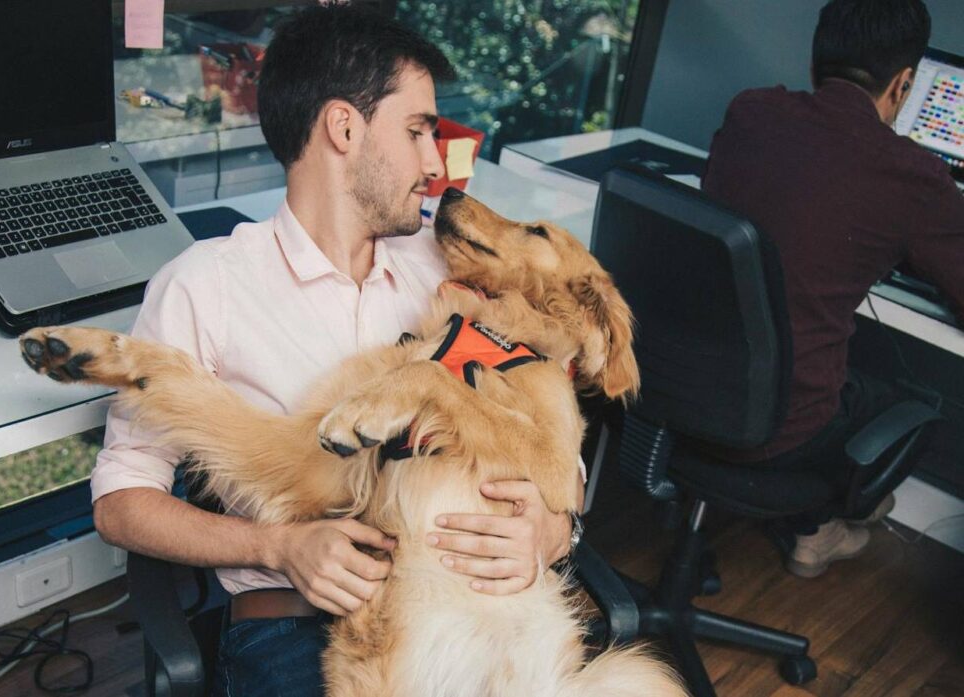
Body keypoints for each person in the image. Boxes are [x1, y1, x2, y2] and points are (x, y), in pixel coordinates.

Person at [89, 5, 580, 696]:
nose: (436, 162)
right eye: (417, 132)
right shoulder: (207, 284)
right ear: (344, 127)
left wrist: (551, 530)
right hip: (294, 624)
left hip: (479, 617)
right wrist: (276, 546)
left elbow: (549, 429)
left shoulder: (448, 270)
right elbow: (120, 500)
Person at [702, 0, 964, 578]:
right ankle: (825, 525)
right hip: (775, 434)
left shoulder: (750, 111)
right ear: (903, 84)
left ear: (817, 58)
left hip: (681, 388)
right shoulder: (916, 176)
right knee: (904, 403)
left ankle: (813, 529)